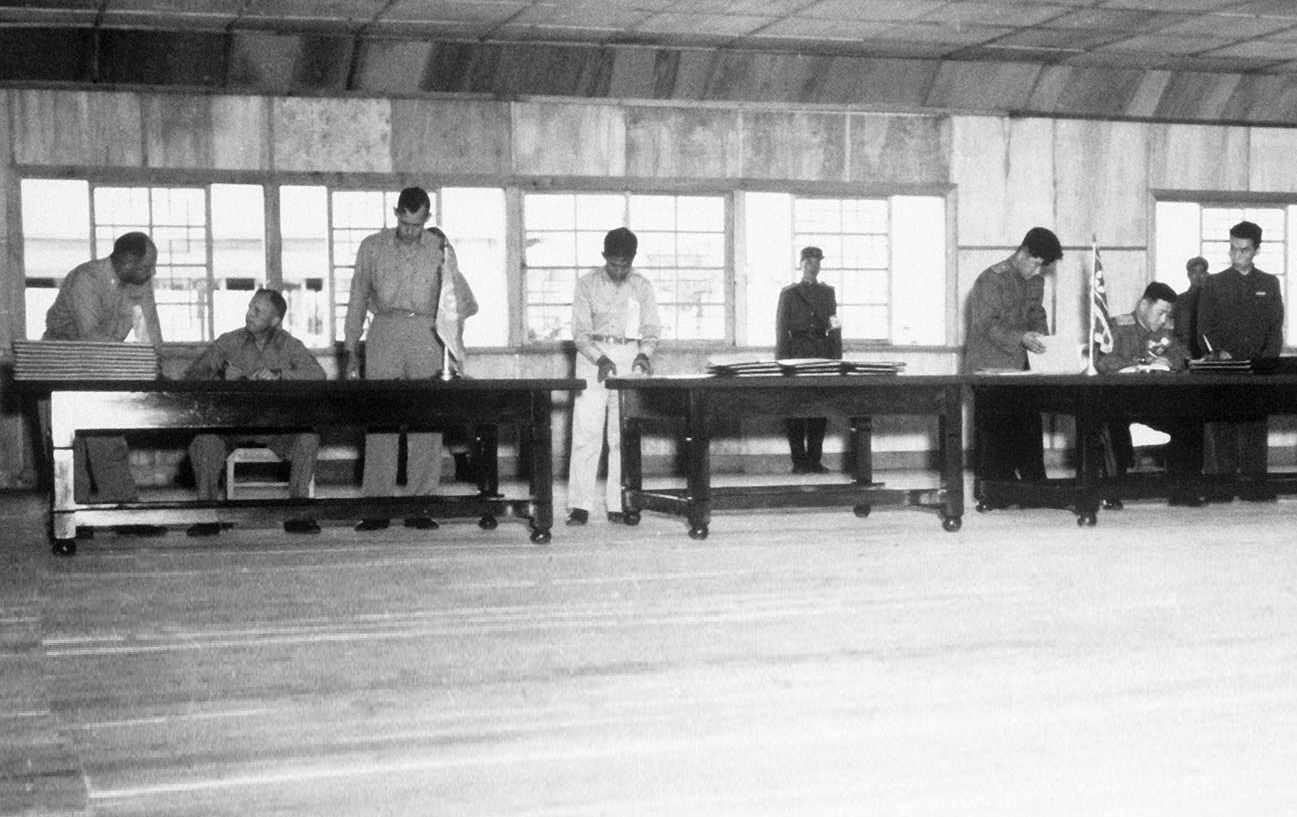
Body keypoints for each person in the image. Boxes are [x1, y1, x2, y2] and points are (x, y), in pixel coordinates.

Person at [343, 187, 464, 532]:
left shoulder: (441, 249)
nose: (410, 230)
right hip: (384, 329)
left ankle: (420, 504)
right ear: (396, 212)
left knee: (426, 418)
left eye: (417, 224)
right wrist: (351, 349)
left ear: (427, 218)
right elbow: (356, 297)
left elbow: (452, 303)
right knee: (381, 417)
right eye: (404, 222)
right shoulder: (372, 247)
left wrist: (454, 352)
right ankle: (376, 506)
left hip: (427, 333)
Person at [44, 232, 165, 534]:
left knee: (109, 442)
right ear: (127, 261)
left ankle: (125, 515)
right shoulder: (86, 278)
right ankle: (72, 517)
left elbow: (148, 332)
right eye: (148, 265)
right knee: (69, 449)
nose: (152, 272)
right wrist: (130, 365)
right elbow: (91, 339)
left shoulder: (140, 284)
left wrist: (154, 367)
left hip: (104, 366)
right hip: (61, 366)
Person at [182, 288, 327, 537]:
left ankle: (298, 512)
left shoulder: (290, 345)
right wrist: (220, 376)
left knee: (308, 438)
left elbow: (318, 376)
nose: (249, 314)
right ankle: (207, 514)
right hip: (231, 424)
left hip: (276, 426)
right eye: (250, 307)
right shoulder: (228, 342)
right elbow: (192, 376)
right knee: (204, 442)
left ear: (275, 321)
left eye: (257, 311)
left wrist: (281, 376)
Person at [566, 227, 660, 526]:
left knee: (623, 435)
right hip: (593, 357)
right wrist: (600, 358)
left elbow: (651, 330)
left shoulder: (643, 286)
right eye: (613, 263)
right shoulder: (586, 284)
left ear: (632, 259)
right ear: (604, 256)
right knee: (586, 432)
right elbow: (580, 334)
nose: (619, 269)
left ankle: (620, 502)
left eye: (625, 264)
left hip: (629, 356)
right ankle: (579, 505)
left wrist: (644, 354)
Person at [963, 227, 1063, 497]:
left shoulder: (1035, 281)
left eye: (1044, 268)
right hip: (989, 365)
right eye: (1037, 264)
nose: (1038, 272)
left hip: (1023, 366)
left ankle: (1034, 485)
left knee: (1029, 423)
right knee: (994, 428)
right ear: (1024, 253)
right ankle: (995, 492)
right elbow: (986, 325)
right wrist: (1022, 337)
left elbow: (1036, 313)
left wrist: (1044, 340)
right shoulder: (991, 280)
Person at [1197, 220, 1284, 502]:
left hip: (1257, 370)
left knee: (1253, 426)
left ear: (1256, 250)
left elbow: (1275, 329)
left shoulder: (1269, 284)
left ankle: (1253, 486)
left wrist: (1267, 363)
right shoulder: (1214, 283)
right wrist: (1217, 352)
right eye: (1233, 249)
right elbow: (1203, 330)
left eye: (1244, 250)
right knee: (1219, 427)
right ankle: (1219, 488)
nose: (1237, 255)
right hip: (1223, 369)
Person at [1095, 282, 1204, 507]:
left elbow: (1184, 355)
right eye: (1160, 312)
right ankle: (1112, 492)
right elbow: (1104, 361)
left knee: (1190, 419)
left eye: (1167, 314)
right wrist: (1140, 364)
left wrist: (1169, 361)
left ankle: (1183, 489)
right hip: (1121, 401)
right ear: (1144, 305)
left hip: (1155, 401)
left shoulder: (1165, 332)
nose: (1164, 320)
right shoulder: (1117, 326)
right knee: (1109, 424)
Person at [775, 245, 842, 473]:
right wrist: (782, 362)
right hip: (796, 353)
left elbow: (834, 324)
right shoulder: (789, 293)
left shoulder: (828, 293)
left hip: (821, 353)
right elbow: (781, 329)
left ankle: (815, 460)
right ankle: (799, 461)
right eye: (810, 262)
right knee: (794, 408)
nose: (814, 266)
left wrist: (836, 356)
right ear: (801, 264)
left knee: (819, 407)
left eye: (817, 262)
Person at [1173, 255, 1209, 360]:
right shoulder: (1179, 301)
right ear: (1188, 275)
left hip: (1207, 353)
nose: (1198, 276)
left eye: (1201, 272)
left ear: (1206, 274)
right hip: (1184, 352)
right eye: (1194, 272)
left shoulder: (1213, 301)